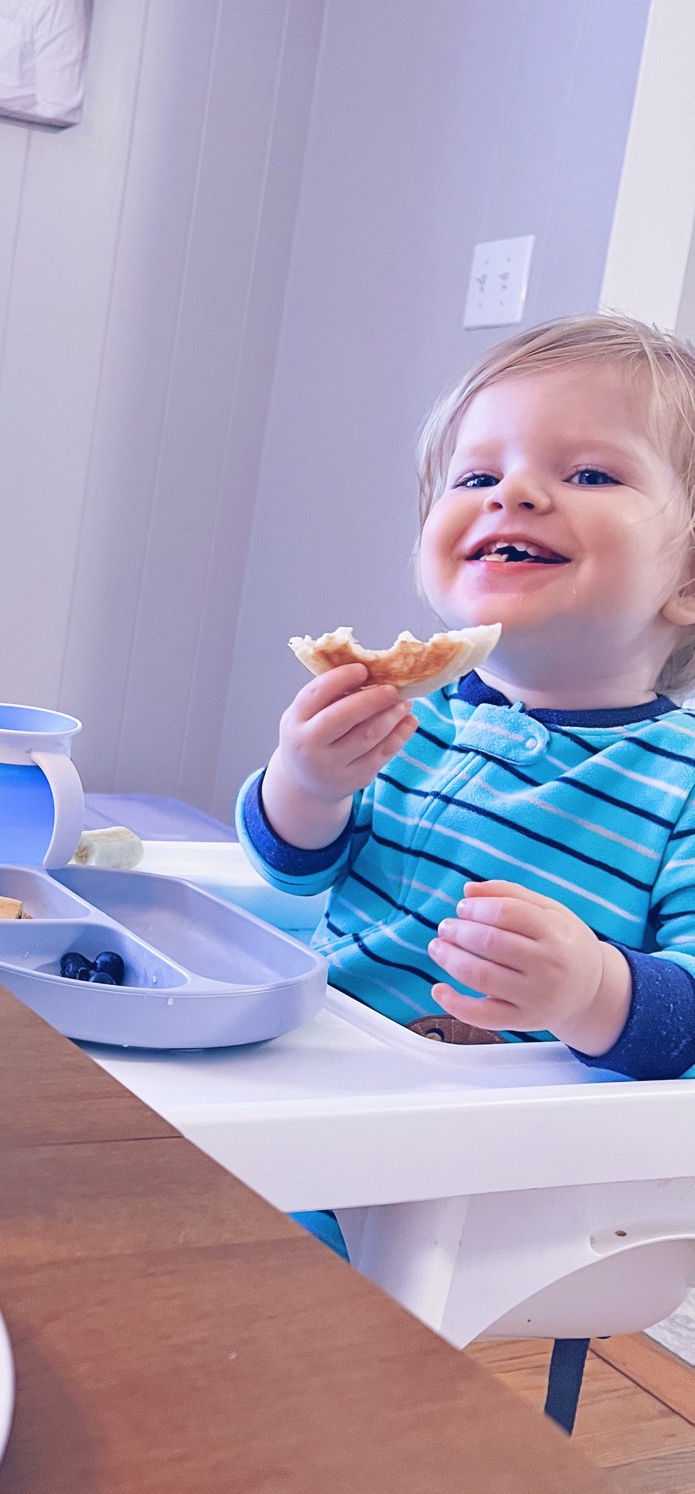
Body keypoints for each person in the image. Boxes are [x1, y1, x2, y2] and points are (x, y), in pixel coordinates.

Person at [238, 314, 695, 1082]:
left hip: (489, 1165)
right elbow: (291, 873)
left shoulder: (679, 784)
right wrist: (306, 784)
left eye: (589, 474)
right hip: (308, 1071)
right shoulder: (414, 716)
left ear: (687, 579)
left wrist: (589, 991)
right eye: (477, 478)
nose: (512, 491)